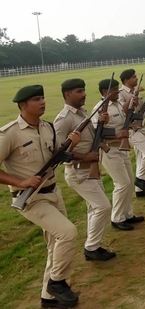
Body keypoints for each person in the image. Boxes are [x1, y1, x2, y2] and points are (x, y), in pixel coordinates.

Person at [0, 85, 81, 308]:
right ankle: (57, 282)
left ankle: (48, 297)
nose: (43, 102)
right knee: (67, 233)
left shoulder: (48, 127)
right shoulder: (10, 133)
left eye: (43, 98)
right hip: (31, 198)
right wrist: (20, 181)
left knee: (55, 244)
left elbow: (56, 155)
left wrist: (71, 144)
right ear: (23, 105)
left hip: (54, 192)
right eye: (37, 99)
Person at [54, 78, 117, 262]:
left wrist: (101, 123)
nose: (84, 94)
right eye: (79, 91)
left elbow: (89, 136)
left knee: (93, 208)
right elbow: (58, 153)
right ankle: (91, 247)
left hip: (89, 169)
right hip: (78, 171)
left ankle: (94, 244)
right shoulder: (63, 120)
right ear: (67, 94)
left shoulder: (82, 112)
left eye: (84, 90)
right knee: (103, 206)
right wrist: (84, 157)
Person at [91, 78, 145, 231]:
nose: (117, 91)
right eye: (114, 89)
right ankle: (117, 218)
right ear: (105, 92)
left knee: (129, 182)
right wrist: (116, 135)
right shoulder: (100, 109)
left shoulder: (117, 105)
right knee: (122, 183)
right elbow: (96, 133)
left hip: (121, 149)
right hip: (110, 150)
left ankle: (128, 214)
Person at [118, 69, 145, 197]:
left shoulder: (136, 92)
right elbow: (121, 111)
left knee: (141, 157)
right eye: (133, 77)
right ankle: (141, 180)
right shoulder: (121, 93)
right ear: (126, 80)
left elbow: (140, 109)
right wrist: (131, 100)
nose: (136, 79)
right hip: (130, 129)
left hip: (140, 127)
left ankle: (139, 190)